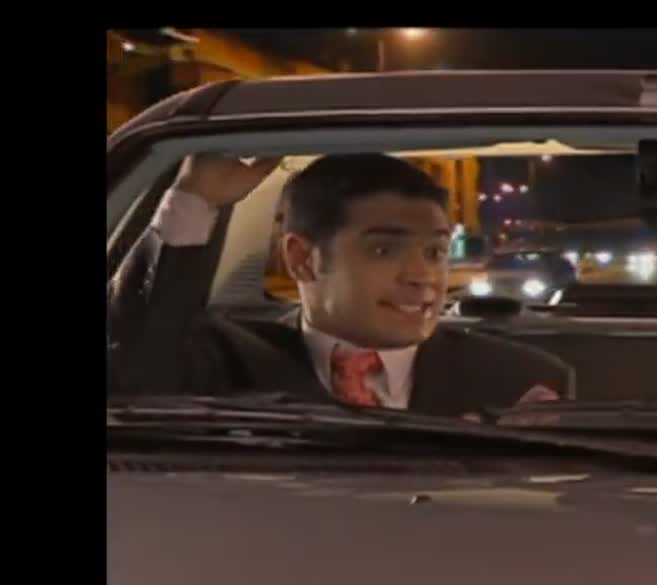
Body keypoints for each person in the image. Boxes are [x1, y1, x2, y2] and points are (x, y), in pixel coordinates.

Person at [108, 153, 573, 416]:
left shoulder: (519, 382)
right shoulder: (221, 360)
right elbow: (133, 355)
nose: (423, 277)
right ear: (302, 259)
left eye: (435, 252)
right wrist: (196, 198)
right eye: (384, 250)